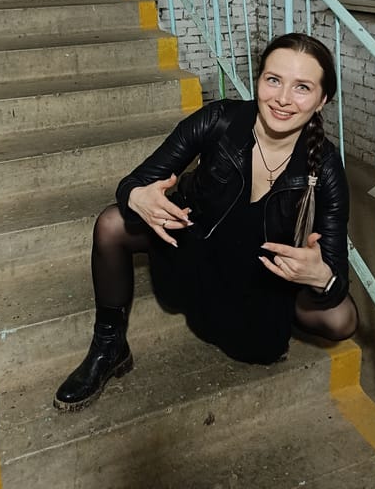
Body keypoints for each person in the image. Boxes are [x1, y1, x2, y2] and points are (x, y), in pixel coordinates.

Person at [54, 32, 358, 412]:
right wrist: (138, 197)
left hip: (255, 278)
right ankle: (109, 345)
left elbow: (336, 279)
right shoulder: (220, 119)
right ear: (259, 80)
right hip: (193, 248)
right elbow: (133, 182)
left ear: (322, 100)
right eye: (273, 80)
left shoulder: (326, 169)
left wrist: (318, 277)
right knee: (111, 224)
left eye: (302, 87)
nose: (282, 98)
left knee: (342, 317)